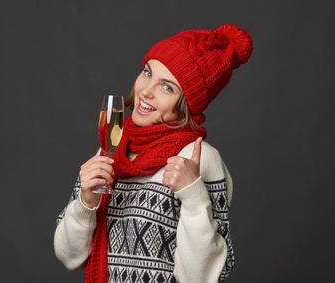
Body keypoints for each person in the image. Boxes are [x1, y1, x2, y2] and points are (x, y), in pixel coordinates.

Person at [54, 24, 253, 283]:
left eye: (167, 87)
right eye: (148, 73)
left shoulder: (199, 159)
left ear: (187, 103)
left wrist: (193, 197)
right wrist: (86, 202)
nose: (146, 91)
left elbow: (200, 278)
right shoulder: (112, 148)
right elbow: (70, 256)